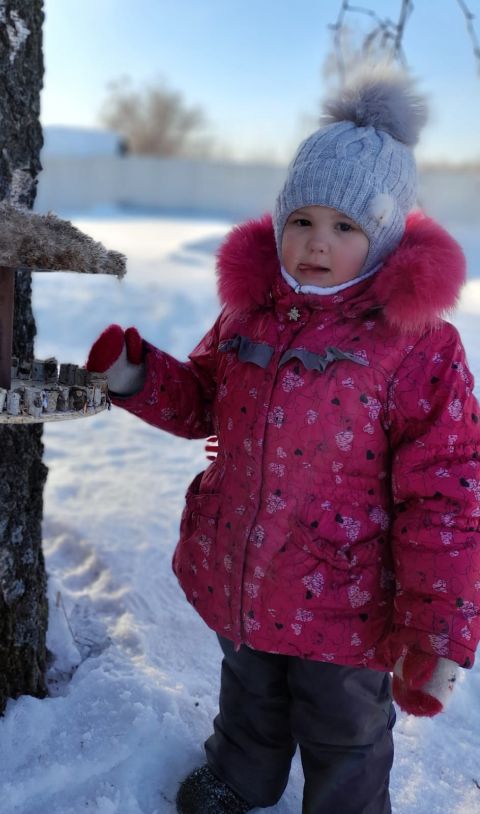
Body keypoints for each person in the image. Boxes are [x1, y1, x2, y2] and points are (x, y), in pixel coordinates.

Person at [86, 65, 480, 814]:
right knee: (249, 702)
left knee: (347, 732)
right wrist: (139, 376)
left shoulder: (418, 348)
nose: (316, 244)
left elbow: (448, 497)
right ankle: (241, 778)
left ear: (388, 237)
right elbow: (206, 397)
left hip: (349, 602)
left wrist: (437, 628)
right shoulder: (250, 315)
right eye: (301, 220)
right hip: (243, 573)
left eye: (344, 227)